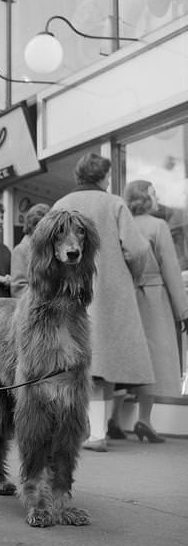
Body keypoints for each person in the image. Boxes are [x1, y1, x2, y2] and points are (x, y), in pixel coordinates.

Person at [53, 152, 154, 452]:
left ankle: (83, 427)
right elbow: (136, 250)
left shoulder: (60, 205)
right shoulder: (114, 203)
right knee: (103, 362)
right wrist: (129, 278)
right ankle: (98, 430)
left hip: (67, 291)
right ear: (101, 177)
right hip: (109, 292)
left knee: (77, 363)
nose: (110, 181)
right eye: (108, 176)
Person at [108, 180, 188, 443]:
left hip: (126, 298)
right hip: (154, 299)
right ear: (144, 198)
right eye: (153, 193)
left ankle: (114, 419)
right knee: (153, 359)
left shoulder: (121, 224)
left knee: (126, 358)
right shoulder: (158, 226)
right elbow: (171, 270)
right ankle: (144, 420)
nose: (157, 197)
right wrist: (183, 310)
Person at [10, 203, 51, 298]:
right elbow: (18, 289)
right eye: (43, 227)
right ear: (32, 226)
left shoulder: (46, 248)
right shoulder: (21, 250)